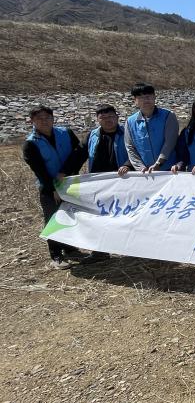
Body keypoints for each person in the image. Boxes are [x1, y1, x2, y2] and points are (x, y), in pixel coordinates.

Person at [22, 105, 85, 269]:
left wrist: (67, 172)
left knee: (71, 215)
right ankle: (56, 255)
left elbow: (78, 154)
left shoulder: (66, 133)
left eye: (47, 117)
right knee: (53, 219)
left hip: (70, 183)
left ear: (53, 118)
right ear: (32, 121)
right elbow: (39, 170)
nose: (44, 121)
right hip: (49, 187)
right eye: (39, 118)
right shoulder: (30, 144)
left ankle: (70, 248)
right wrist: (53, 188)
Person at [81, 104, 133, 264]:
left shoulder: (128, 133)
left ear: (117, 117)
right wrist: (65, 173)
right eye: (103, 118)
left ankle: (130, 249)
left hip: (123, 182)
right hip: (99, 184)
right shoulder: (92, 135)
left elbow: (137, 152)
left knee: (125, 215)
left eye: (111, 116)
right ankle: (100, 251)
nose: (108, 120)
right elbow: (79, 154)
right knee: (99, 217)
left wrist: (127, 165)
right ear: (97, 120)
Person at [124, 82, 178, 173]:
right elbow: (130, 147)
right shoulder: (130, 122)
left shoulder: (168, 116)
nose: (146, 100)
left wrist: (159, 163)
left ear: (154, 97)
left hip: (169, 170)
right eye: (141, 97)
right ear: (135, 100)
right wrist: (140, 167)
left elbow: (170, 143)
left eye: (148, 96)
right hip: (144, 172)